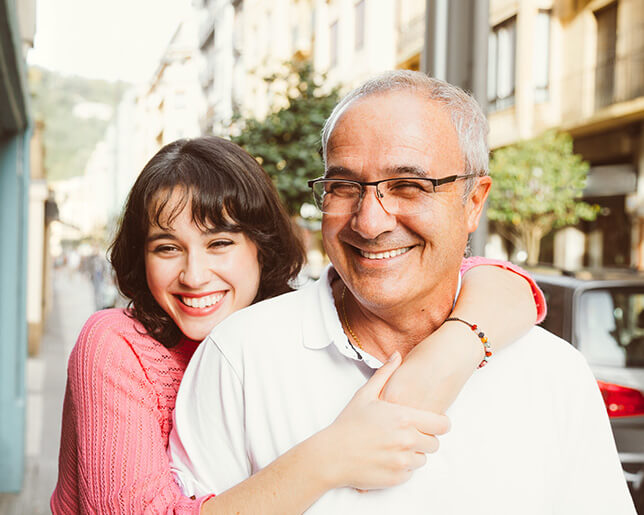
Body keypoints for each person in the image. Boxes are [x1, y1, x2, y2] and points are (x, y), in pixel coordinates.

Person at [169, 73, 636, 514]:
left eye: (409, 186)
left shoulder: (552, 374)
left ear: (474, 201)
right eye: (344, 186)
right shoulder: (241, 358)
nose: (370, 222)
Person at [51, 136, 543, 514]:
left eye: (219, 243)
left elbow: (489, 278)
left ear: (260, 246)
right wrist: (331, 455)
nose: (193, 275)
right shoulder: (115, 344)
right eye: (166, 247)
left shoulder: (278, 332)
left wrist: (452, 350)